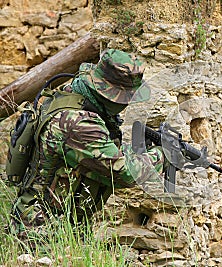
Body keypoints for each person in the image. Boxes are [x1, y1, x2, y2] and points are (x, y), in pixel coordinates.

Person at [9, 49, 164, 236]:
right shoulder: (79, 122)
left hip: (57, 224)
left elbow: (101, 151)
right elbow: (125, 173)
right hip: (41, 230)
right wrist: (162, 155)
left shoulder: (74, 95)